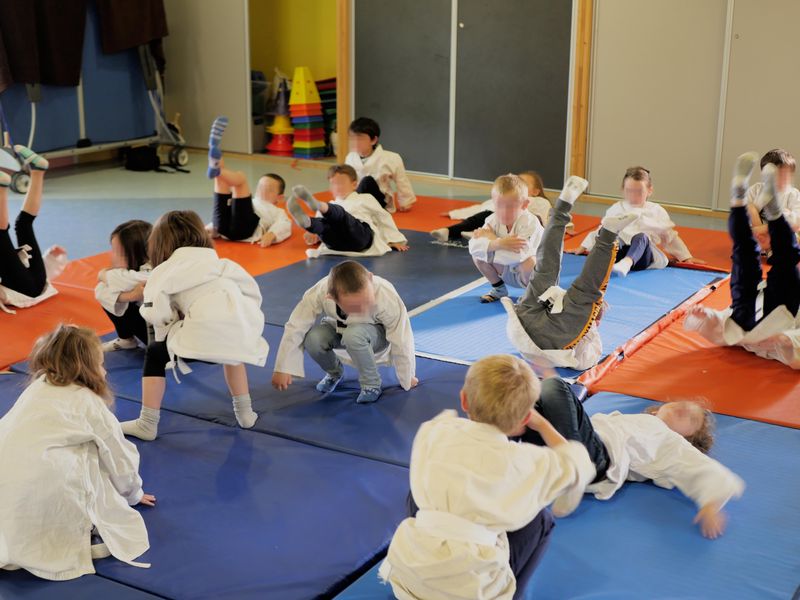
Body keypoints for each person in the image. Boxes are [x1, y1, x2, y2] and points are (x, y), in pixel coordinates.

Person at [378, 354, 594, 600]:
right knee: (541, 519)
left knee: (424, 491)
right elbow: (579, 463)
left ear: (464, 400)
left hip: (409, 574)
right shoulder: (524, 462)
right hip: (474, 589)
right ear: (525, 420)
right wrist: (543, 425)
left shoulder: (435, 430)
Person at [0, 325, 156, 580]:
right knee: (90, 458)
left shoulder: (38, 387)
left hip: (6, 484)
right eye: (101, 364)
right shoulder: (87, 401)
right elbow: (118, 457)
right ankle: (76, 528)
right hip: (44, 486)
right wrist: (133, 493)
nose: (104, 371)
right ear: (86, 367)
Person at [518, 372, 744, 538]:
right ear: (656, 409)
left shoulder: (671, 442)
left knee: (554, 385)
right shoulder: (633, 421)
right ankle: (497, 444)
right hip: (568, 443)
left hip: (596, 457)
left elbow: (703, 468)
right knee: (529, 405)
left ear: (687, 438)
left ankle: (575, 468)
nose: (685, 409)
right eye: (683, 404)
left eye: (691, 419)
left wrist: (710, 506)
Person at [120, 210, 269, 441]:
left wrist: (166, 335)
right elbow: (252, 293)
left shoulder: (164, 271)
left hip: (203, 336)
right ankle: (245, 413)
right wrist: (246, 324)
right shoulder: (222, 263)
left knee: (155, 353)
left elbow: (154, 313)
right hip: (243, 332)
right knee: (232, 349)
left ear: (160, 243)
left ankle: (147, 423)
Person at [504, 176, 639, 370]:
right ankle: (563, 206)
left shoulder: (583, 337)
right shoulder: (577, 328)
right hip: (522, 325)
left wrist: (593, 321)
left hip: (547, 339)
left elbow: (586, 356)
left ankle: (607, 234)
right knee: (545, 269)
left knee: (584, 290)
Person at [685, 152, 800, 369]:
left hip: (756, 318)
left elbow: (724, 326)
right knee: (753, 259)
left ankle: (740, 202)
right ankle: (759, 209)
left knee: (745, 258)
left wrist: (708, 317)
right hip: (773, 310)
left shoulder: (794, 196)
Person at [272, 260, 417, 404]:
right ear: (331, 297)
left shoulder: (386, 295)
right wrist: (283, 367)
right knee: (313, 339)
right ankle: (335, 373)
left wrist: (407, 376)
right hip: (341, 330)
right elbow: (297, 325)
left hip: (377, 338)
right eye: (355, 307)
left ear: (370, 278)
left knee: (354, 335)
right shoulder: (321, 291)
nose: (364, 309)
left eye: (367, 301)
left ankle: (371, 384)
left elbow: (402, 337)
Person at [573, 166, 703, 276]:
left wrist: (686, 257)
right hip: (617, 254)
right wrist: (582, 247)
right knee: (609, 233)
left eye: (639, 192)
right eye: (629, 191)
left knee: (641, 237)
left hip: (642, 257)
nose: (633, 196)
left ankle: (627, 263)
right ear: (623, 190)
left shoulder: (655, 210)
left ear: (649, 191)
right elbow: (602, 230)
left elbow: (669, 236)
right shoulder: (617, 208)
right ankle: (613, 263)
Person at [286, 165, 409, 259]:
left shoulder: (365, 198)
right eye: (334, 184)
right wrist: (313, 234)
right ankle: (307, 222)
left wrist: (393, 240)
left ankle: (318, 205)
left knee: (341, 215)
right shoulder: (332, 203)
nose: (337, 187)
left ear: (354, 184)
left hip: (360, 237)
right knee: (324, 226)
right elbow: (322, 229)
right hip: (336, 245)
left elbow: (383, 217)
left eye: (341, 183)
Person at [0, 145, 67, 314]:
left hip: (36, 284)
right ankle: (30, 175)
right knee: (20, 225)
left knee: (23, 224)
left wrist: (49, 259)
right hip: (26, 287)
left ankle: (37, 171)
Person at [205, 117, 292, 248]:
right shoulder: (251, 201)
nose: (262, 190)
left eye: (268, 189)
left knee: (240, 181)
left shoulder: (277, 211)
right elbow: (222, 214)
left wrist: (272, 234)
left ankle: (216, 166)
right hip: (222, 228)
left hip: (246, 230)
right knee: (221, 182)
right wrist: (210, 228)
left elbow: (284, 224)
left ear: (280, 197)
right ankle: (214, 152)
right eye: (260, 186)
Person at [468, 174, 543, 303]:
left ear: (525, 204)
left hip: (534, 275)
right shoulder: (492, 220)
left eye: (510, 207)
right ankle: (499, 290)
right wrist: (499, 243)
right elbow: (473, 247)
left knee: (528, 262)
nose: (503, 212)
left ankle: (533, 296)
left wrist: (491, 239)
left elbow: (519, 256)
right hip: (508, 269)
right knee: (478, 257)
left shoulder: (530, 222)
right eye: (499, 206)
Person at [430, 170, 553, 243]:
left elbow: (551, 216)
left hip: (526, 229)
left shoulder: (541, 202)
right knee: (481, 216)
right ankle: (449, 231)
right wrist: (454, 213)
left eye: (523, 183)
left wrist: (565, 226)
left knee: (534, 220)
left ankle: (479, 233)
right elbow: (482, 206)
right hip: (503, 225)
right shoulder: (504, 201)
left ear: (536, 191)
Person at [95, 220, 152, 352]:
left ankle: (129, 340)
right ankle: (126, 340)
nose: (112, 257)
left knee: (109, 291)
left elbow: (102, 286)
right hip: (171, 335)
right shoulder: (143, 268)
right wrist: (131, 296)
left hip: (171, 344)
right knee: (111, 293)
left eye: (118, 253)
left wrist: (129, 296)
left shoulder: (142, 276)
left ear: (139, 254)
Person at [345, 117, 416, 212]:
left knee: (367, 181)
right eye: (352, 139)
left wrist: (406, 202)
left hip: (379, 200)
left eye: (360, 139)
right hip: (357, 199)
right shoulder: (350, 158)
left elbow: (402, 181)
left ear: (373, 140)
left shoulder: (391, 158)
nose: (356, 143)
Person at [745, 148, 800, 252]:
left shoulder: (793, 194)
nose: (784, 178)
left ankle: (772, 250)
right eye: (778, 174)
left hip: (781, 236)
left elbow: (796, 222)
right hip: (759, 236)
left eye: (787, 174)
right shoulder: (756, 190)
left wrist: (763, 228)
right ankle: (764, 248)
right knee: (750, 208)